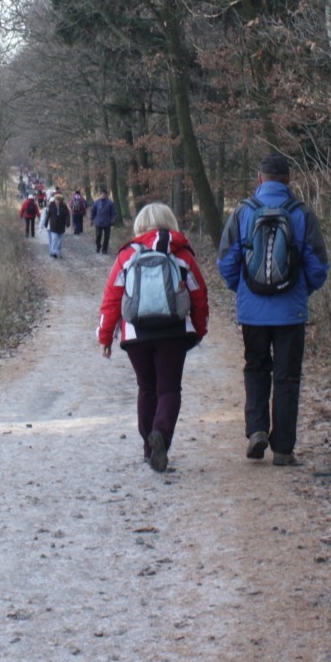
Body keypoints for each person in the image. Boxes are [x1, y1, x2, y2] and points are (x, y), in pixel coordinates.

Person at [217, 152, 329, 467]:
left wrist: (241, 288)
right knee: (287, 377)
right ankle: (283, 449)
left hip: (252, 311)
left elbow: (226, 260)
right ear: (288, 180)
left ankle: (256, 430)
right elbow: (318, 265)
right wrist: (303, 289)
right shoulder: (302, 213)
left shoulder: (243, 211)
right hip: (290, 311)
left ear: (259, 178)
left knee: (255, 367)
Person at [98, 202, 208, 472]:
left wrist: (105, 336)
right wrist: (198, 329)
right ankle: (161, 433)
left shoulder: (127, 255)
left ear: (139, 225)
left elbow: (112, 298)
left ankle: (149, 449)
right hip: (173, 332)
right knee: (169, 389)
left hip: (135, 333)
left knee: (146, 388)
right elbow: (199, 295)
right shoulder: (182, 255)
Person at [42, 192, 70, 258]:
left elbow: (67, 215)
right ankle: (53, 251)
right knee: (54, 239)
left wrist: (67, 223)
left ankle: (58, 251)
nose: (58, 201)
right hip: (53, 225)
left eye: (59, 200)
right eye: (57, 200)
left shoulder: (64, 206)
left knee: (59, 240)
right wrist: (46, 223)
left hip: (61, 225)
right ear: (55, 199)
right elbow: (48, 215)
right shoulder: (51, 205)